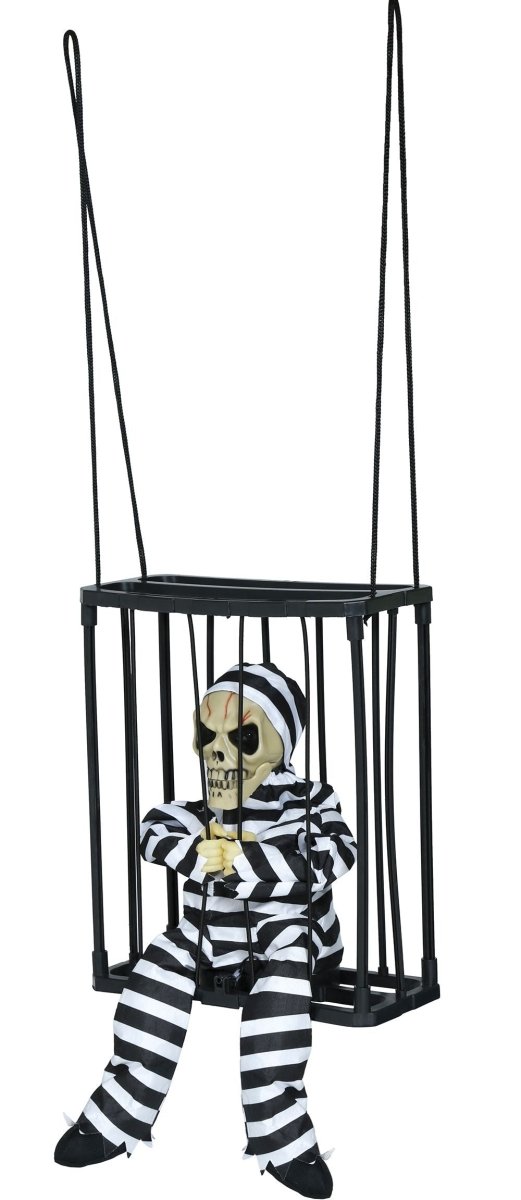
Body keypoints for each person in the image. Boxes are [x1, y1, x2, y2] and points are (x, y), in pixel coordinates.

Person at [55, 663, 357, 1198]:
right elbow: (153, 829)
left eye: (242, 738)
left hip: (288, 934)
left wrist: (245, 861)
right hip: (210, 935)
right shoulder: (204, 809)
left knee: (282, 995)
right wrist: (195, 853)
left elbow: (337, 851)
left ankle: (282, 1139)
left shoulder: (310, 802)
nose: (217, 754)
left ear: (280, 744)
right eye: (206, 735)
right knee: (156, 968)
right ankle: (116, 1117)